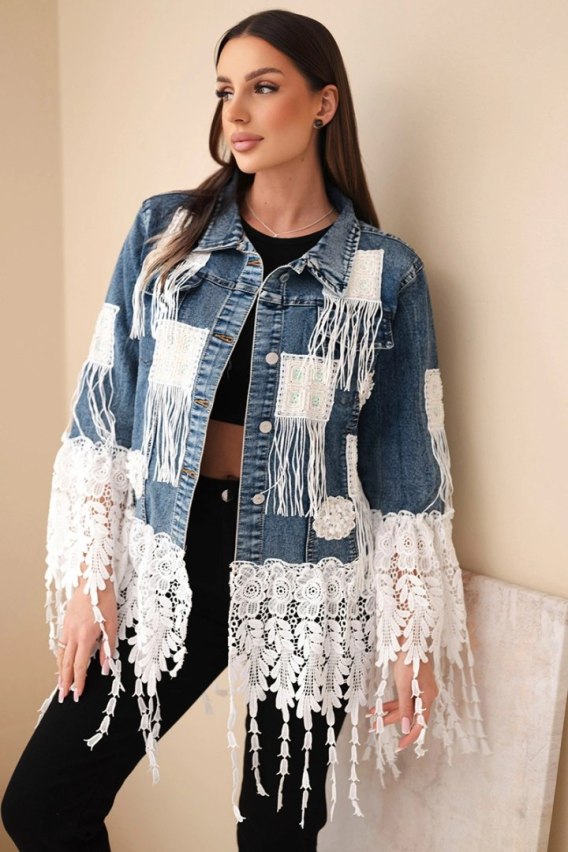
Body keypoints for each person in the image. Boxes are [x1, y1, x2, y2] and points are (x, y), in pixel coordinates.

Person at [1, 9, 489, 851]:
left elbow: (406, 472)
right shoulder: (167, 236)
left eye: (264, 88)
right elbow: (106, 415)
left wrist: (412, 641)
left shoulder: (384, 275)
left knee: (277, 835)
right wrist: (90, 577)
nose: (237, 112)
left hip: (310, 575)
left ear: (323, 103)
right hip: (172, 554)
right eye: (226, 90)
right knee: (43, 804)